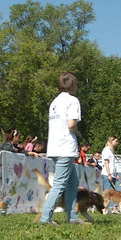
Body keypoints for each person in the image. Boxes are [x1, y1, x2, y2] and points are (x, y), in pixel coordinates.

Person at [39, 71, 85, 225]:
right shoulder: (73, 101)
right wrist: (78, 134)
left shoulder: (55, 102)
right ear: (73, 84)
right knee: (59, 184)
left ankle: (72, 217)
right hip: (66, 146)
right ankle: (45, 219)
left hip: (54, 146)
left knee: (72, 182)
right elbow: (71, 124)